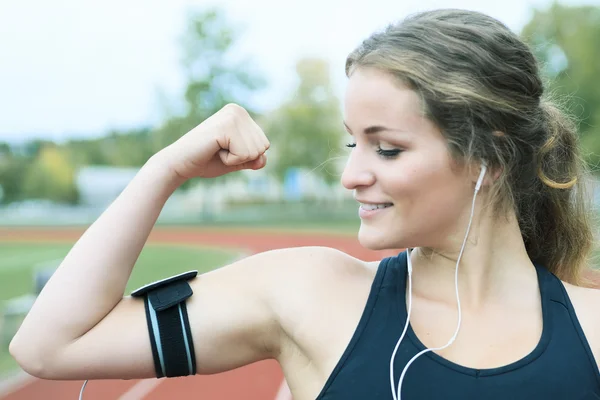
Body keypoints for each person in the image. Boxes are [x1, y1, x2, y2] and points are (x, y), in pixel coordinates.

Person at [9, 8, 600, 400]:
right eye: (353, 141)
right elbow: (49, 345)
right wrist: (165, 169)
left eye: (387, 148)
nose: (351, 174)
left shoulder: (592, 332)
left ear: (489, 159)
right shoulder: (308, 292)